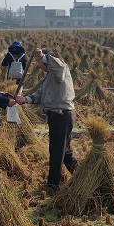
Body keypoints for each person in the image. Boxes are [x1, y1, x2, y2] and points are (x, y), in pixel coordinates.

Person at [16, 47, 77, 189]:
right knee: (65, 150)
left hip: (61, 115)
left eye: (40, 62)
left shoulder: (61, 69)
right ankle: (79, 174)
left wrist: (42, 56)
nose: (39, 65)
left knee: (56, 150)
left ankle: (53, 183)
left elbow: (59, 66)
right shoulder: (49, 76)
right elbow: (41, 93)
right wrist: (26, 99)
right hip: (56, 115)